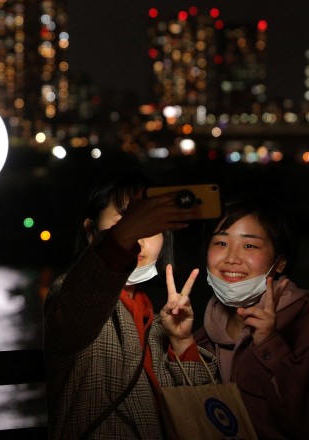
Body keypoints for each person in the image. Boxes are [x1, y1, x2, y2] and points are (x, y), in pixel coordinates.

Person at [44, 170, 219, 440]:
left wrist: (182, 342)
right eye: (126, 220)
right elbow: (84, 299)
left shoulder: (158, 317)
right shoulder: (71, 293)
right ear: (91, 232)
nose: (141, 236)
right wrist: (123, 236)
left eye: (151, 226)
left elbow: (200, 415)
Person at [195, 193, 309, 439]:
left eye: (249, 245)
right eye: (220, 243)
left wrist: (270, 344)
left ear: (279, 262)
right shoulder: (201, 336)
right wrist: (180, 343)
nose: (231, 258)